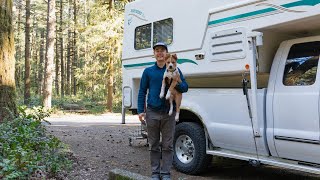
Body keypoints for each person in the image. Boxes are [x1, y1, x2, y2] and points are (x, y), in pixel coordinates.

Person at [137, 42, 188, 180]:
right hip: (152, 112)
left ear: (166, 54)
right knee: (153, 145)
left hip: (168, 113)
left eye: (162, 50)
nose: (159, 53)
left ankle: (165, 173)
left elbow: (185, 87)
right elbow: (142, 91)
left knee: (167, 145)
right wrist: (141, 110)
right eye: (157, 50)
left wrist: (179, 82)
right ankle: (155, 173)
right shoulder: (148, 71)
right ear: (154, 54)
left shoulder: (175, 69)